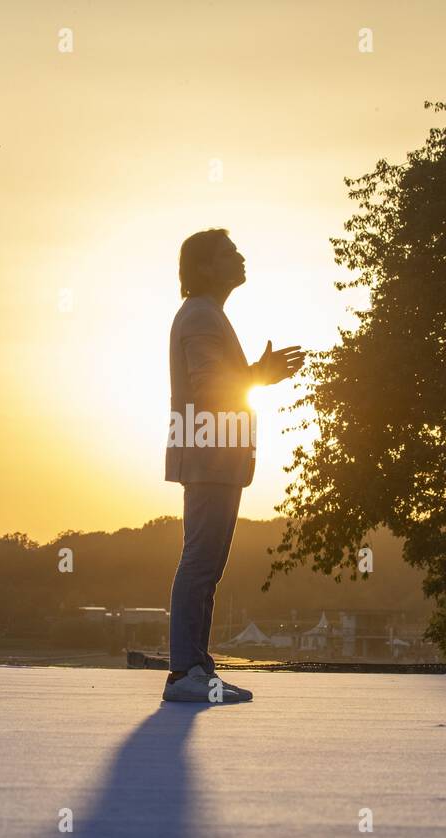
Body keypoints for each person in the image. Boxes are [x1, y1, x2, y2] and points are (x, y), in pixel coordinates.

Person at [162, 229, 305, 703]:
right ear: (204, 268)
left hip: (214, 453)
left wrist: (255, 376)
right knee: (200, 563)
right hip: (209, 452)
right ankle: (185, 671)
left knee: (206, 566)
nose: (241, 258)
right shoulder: (202, 316)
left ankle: (197, 668)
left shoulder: (208, 313)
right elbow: (209, 383)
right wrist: (261, 375)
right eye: (229, 253)